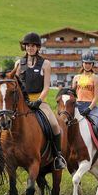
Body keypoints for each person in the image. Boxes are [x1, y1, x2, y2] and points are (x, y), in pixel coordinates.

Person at [15, 32, 66, 170]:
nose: (30, 48)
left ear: (38, 47)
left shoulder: (45, 64)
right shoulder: (19, 63)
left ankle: (57, 156)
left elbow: (46, 87)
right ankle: (2, 154)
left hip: (39, 101)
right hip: (22, 102)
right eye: (28, 45)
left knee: (55, 125)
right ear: (24, 47)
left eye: (33, 46)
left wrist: (38, 101)